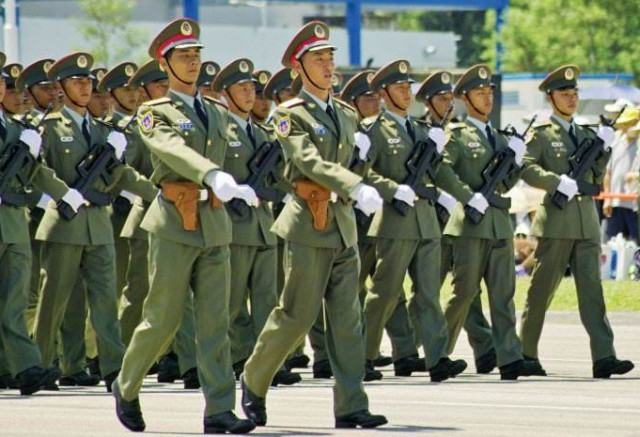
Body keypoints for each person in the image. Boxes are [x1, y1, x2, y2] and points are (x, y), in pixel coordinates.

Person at [240, 20, 387, 429]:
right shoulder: (290, 116)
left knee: (347, 320)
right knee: (296, 316)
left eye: (330, 57)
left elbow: (350, 163)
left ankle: (352, 404)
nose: (327, 66)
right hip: (308, 222)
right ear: (299, 69)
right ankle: (254, 379)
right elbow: (308, 162)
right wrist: (355, 183)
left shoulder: (343, 112)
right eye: (318, 60)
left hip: (342, 223)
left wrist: (362, 162)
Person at [112, 18, 256, 434]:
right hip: (175, 222)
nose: (193, 63)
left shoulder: (216, 110)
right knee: (162, 320)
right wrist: (212, 174)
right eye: (183, 56)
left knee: (215, 323)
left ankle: (219, 410)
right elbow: (172, 150)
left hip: (214, 223)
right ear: (165, 62)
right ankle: (127, 384)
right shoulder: (153, 112)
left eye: (197, 55)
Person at [32, 52, 158, 392]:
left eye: (88, 82)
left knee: (104, 300)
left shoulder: (103, 130)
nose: (85, 88)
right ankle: (43, 363)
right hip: (65, 221)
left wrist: (157, 192)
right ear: (60, 87)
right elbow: (37, 168)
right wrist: (62, 192)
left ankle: (113, 366)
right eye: (77, 82)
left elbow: (119, 173)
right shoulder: (49, 128)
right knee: (56, 300)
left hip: (98, 224)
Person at [518, 64, 635, 378]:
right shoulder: (541, 133)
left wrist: (605, 148)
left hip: (585, 222)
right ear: (551, 97)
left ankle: (604, 356)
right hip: (556, 222)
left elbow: (595, 176)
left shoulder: (585, 134)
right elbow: (525, 166)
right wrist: (555, 181)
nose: (572, 99)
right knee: (541, 291)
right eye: (565, 94)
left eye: (574, 93)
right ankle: (526, 353)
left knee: (592, 292)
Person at [360, 60, 466, 382]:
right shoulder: (373, 130)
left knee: (429, 294)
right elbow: (364, 171)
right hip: (395, 219)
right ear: (383, 93)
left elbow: (437, 173)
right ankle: (363, 354)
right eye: (399, 88)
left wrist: (459, 191)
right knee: (386, 293)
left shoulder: (422, 131)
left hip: (426, 220)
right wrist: (393, 189)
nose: (406, 93)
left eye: (409, 88)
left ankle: (437, 358)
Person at [435, 64, 536, 380]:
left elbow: (504, 184)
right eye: (480, 93)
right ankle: (438, 353)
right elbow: (441, 170)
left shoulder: (498, 137)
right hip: (469, 223)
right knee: (463, 293)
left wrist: (516, 161)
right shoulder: (457, 135)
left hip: (498, 223)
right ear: (465, 99)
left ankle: (509, 356)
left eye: (490, 92)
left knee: (503, 295)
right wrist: (467, 196)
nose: (487, 98)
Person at [0, 50, 81, 396]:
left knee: (14, 301)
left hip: (13, 224)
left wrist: (64, 194)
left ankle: (21, 367)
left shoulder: (16, 128)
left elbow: (34, 171)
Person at [415, 70, 497, 374]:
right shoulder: (420, 130)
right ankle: (409, 347)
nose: (448, 104)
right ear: (428, 102)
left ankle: (484, 346)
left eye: (451, 98)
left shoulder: (459, 131)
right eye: (441, 98)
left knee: (466, 287)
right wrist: (440, 196)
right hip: (431, 219)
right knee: (428, 289)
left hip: (460, 220)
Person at [341, 69, 421, 373]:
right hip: (359, 222)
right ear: (353, 104)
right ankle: (357, 354)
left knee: (392, 290)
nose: (374, 103)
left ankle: (404, 349)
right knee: (356, 290)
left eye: (377, 97)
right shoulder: (355, 134)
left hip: (387, 218)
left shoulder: (386, 130)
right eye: (367, 98)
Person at [602, 107, 639, 242]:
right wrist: (607, 199)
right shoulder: (616, 141)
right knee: (611, 246)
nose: (627, 126)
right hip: (615, 204)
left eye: (631, 122)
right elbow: (608, 173)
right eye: (626, 123)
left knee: (635, 247)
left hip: (635, 206)